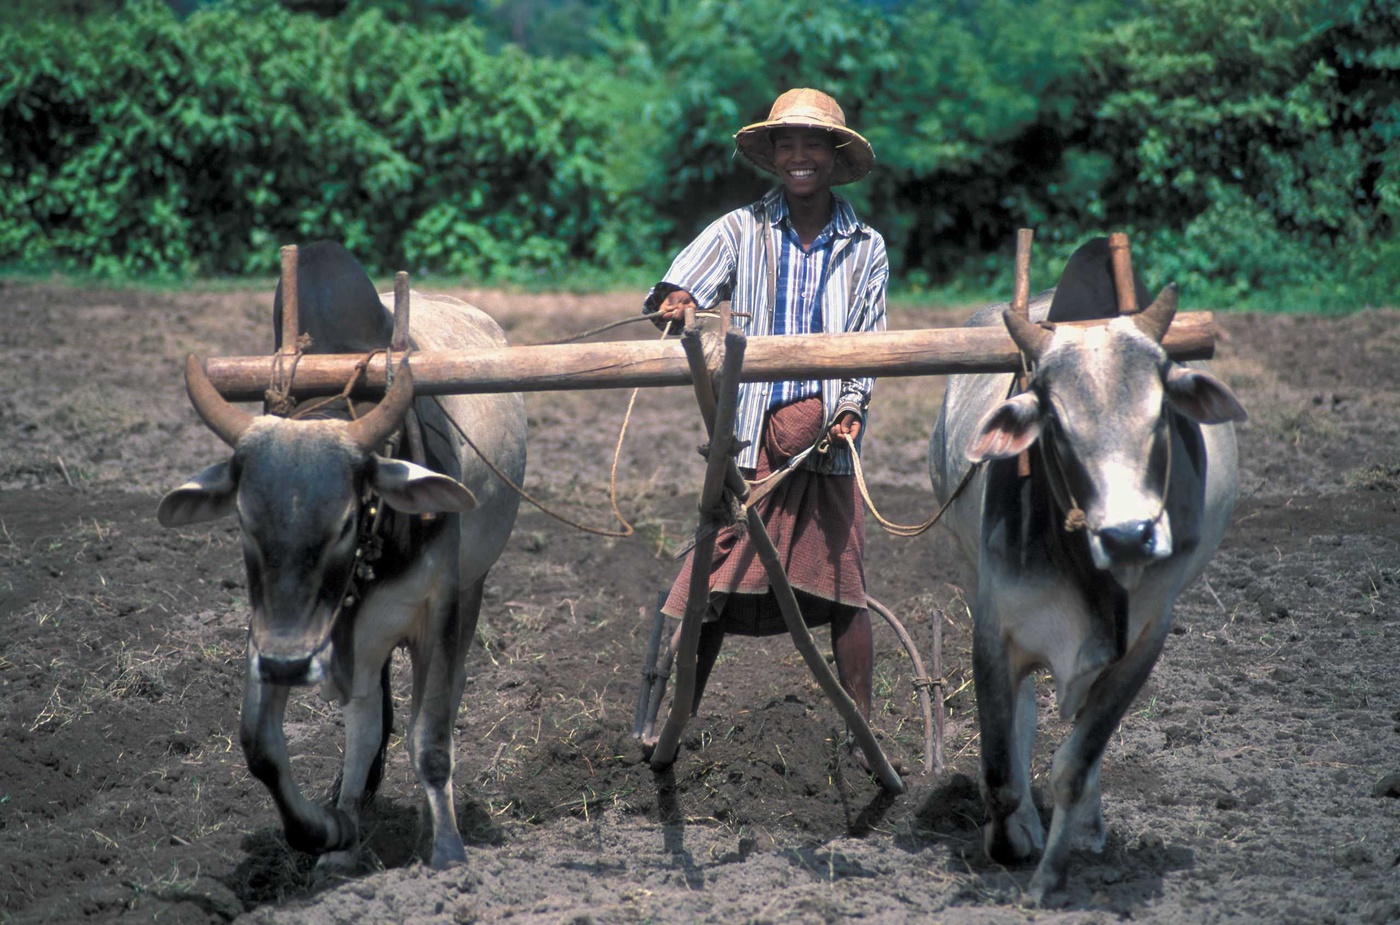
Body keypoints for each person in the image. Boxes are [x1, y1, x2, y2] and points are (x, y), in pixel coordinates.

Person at [643, 88, 889, 759]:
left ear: (836, 159)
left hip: (826, 446)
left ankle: (859, 730)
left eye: (815, 144)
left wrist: (845, 411)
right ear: (774, 155)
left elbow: (866, 346)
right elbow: (677, 288)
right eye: (788, 143)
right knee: (716, 583)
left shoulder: (865, 247)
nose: (801, 156)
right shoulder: (739, 230)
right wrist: (680, 299)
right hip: (748, 437)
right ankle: (674, 724)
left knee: (845, 588)